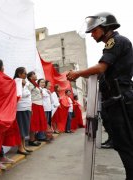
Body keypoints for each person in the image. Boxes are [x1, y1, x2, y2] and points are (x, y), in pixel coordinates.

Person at [67, 12, 133, 179]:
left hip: (121, 99)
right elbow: (101, 74)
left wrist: (78, 72)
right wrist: (81, 74)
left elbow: (100, 68)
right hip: (116, 99)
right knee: (122, 142)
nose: (92, 35)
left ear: (106, 27)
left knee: (126, 143)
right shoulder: (112, 43)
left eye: (94, 31)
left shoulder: (116, 41)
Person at [13, 67, 33, 155]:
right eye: (24, 73)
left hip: (26, 107)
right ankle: (20, 148)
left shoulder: (24, 82)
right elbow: (19, 94)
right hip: (20, 108)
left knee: (25, 128)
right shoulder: (16, 82)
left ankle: (23, 146)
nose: (26, 74)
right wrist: (23, 86)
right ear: (19, 74)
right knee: (21, 128)